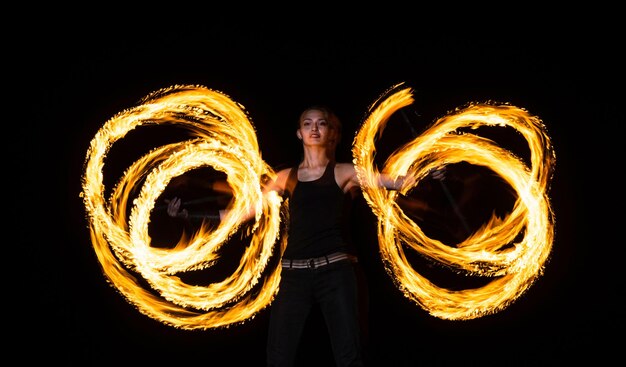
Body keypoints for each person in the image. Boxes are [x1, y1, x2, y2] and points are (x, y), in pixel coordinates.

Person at [166, 105, 444, 366]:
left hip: (336, 273)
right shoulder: (286, 177)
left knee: (349, 355)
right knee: (278, 357)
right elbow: (244, 213)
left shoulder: (344, 172)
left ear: (330, 133)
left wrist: (424, 172)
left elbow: (393, 182)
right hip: (294, 277)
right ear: (299, 133)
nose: (314, 129)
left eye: (321, 124)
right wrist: (190, 216)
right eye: (307, 124)